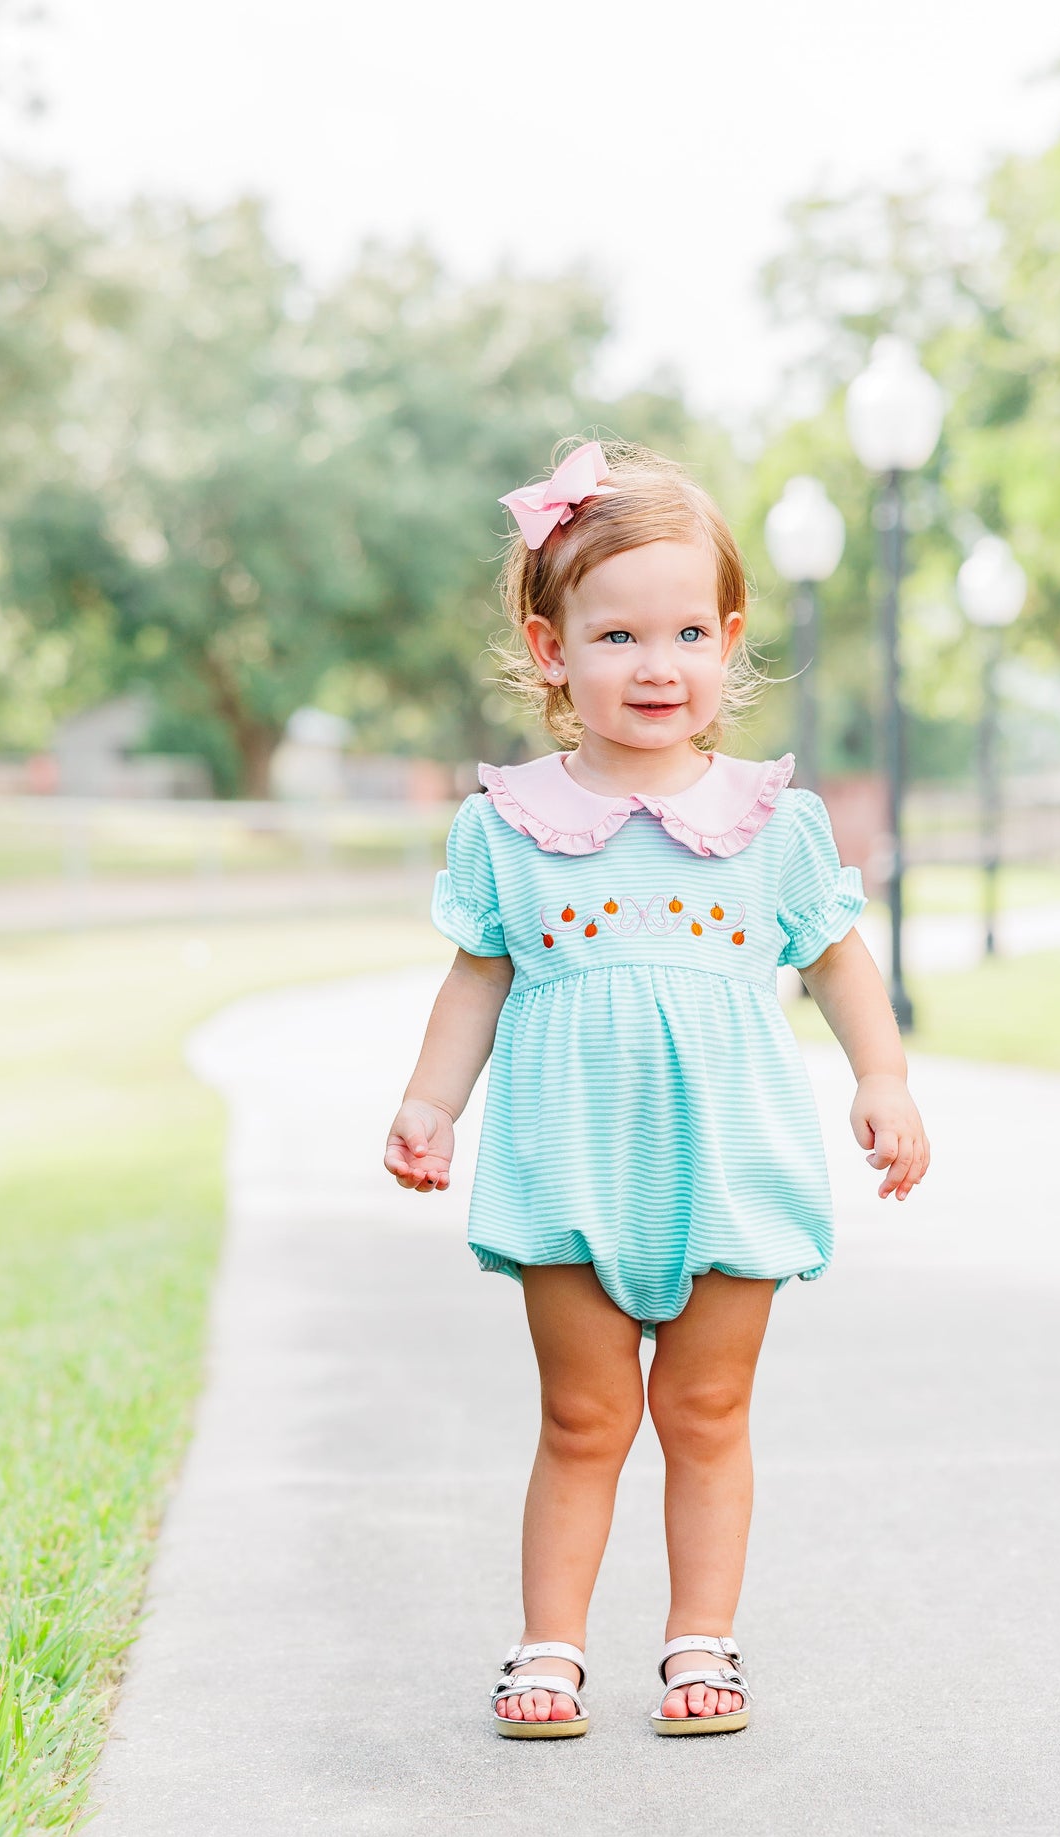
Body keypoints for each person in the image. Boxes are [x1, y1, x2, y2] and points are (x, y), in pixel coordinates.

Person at [386, 439, 929, 1738]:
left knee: (704, 1407)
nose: (655, 663)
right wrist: (428, 1103)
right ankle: (549, 1645)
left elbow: (841, 965)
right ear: (550, 646)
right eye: (617, 633)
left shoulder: (770, 822)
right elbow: (476, 980)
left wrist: (886, 1080)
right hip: (567, 1163)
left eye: (687, 630)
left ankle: (702, 1644)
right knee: (582, 1415)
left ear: (729, 639)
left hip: (728, 1162)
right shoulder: (508, 824)